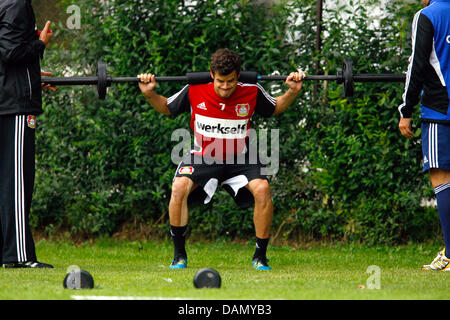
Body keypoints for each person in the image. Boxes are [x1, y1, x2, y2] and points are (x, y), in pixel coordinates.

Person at [138, 48, 304, 270]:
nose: (225, 87)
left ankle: (260, 257)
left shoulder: (252, 90)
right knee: (178, 187)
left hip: (241, 158)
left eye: (231, 81)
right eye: (220, 81)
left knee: (263, 190)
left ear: (238, 75)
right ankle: (179, 256)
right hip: (204, 155)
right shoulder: (195, 89)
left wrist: (292, 91)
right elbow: (166, 107)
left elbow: (275, 108)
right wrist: (149, 93)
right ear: (211, 74)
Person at [0, 0, 56, 268]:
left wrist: (32, 75)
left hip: (7, 102)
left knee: (6, 184)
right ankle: (19, 256)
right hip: (16, 109)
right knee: (17, 185)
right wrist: (41, 43)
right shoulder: (17, 5)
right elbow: (11, 52)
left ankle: (6, 253)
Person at [398, 0, 450, 271]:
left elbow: (417, 66)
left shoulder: (427, 15)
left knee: (441, 178)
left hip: (440, 111)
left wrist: (405, 109)